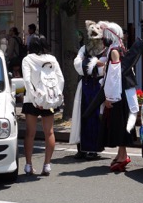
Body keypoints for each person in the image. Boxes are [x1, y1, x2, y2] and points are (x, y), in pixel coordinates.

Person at [100, 22, 140, 172]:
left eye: (104, 35)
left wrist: (110, 96)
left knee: (119, 124)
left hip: (118, 94)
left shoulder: (114, 51)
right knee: (120, 123)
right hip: (123, 92)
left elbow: (114, 76)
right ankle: (121, 154)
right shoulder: (120, 49)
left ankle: (123, 156)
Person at [21, 35, 62, 176]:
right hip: (48, 98)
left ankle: (28, 165)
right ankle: (47, 165)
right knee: (49, 132)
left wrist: (34, 99)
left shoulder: (27, 59)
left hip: (32, 99)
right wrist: (56, 97)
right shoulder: (52, 59)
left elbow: (26, 80)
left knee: (30, 133)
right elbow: (60, 79)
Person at [70, 20, 107, 160]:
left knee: (96, 117)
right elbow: (77, 64)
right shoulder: (84, 49)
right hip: (85, 86)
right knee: (81, 117)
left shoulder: (106, 50)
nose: (94, 40)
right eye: (92, 37)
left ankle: (94, 149)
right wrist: (93, 65)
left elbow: (105, 68)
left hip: (98, 86)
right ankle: (82, 149)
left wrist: (95, 67)